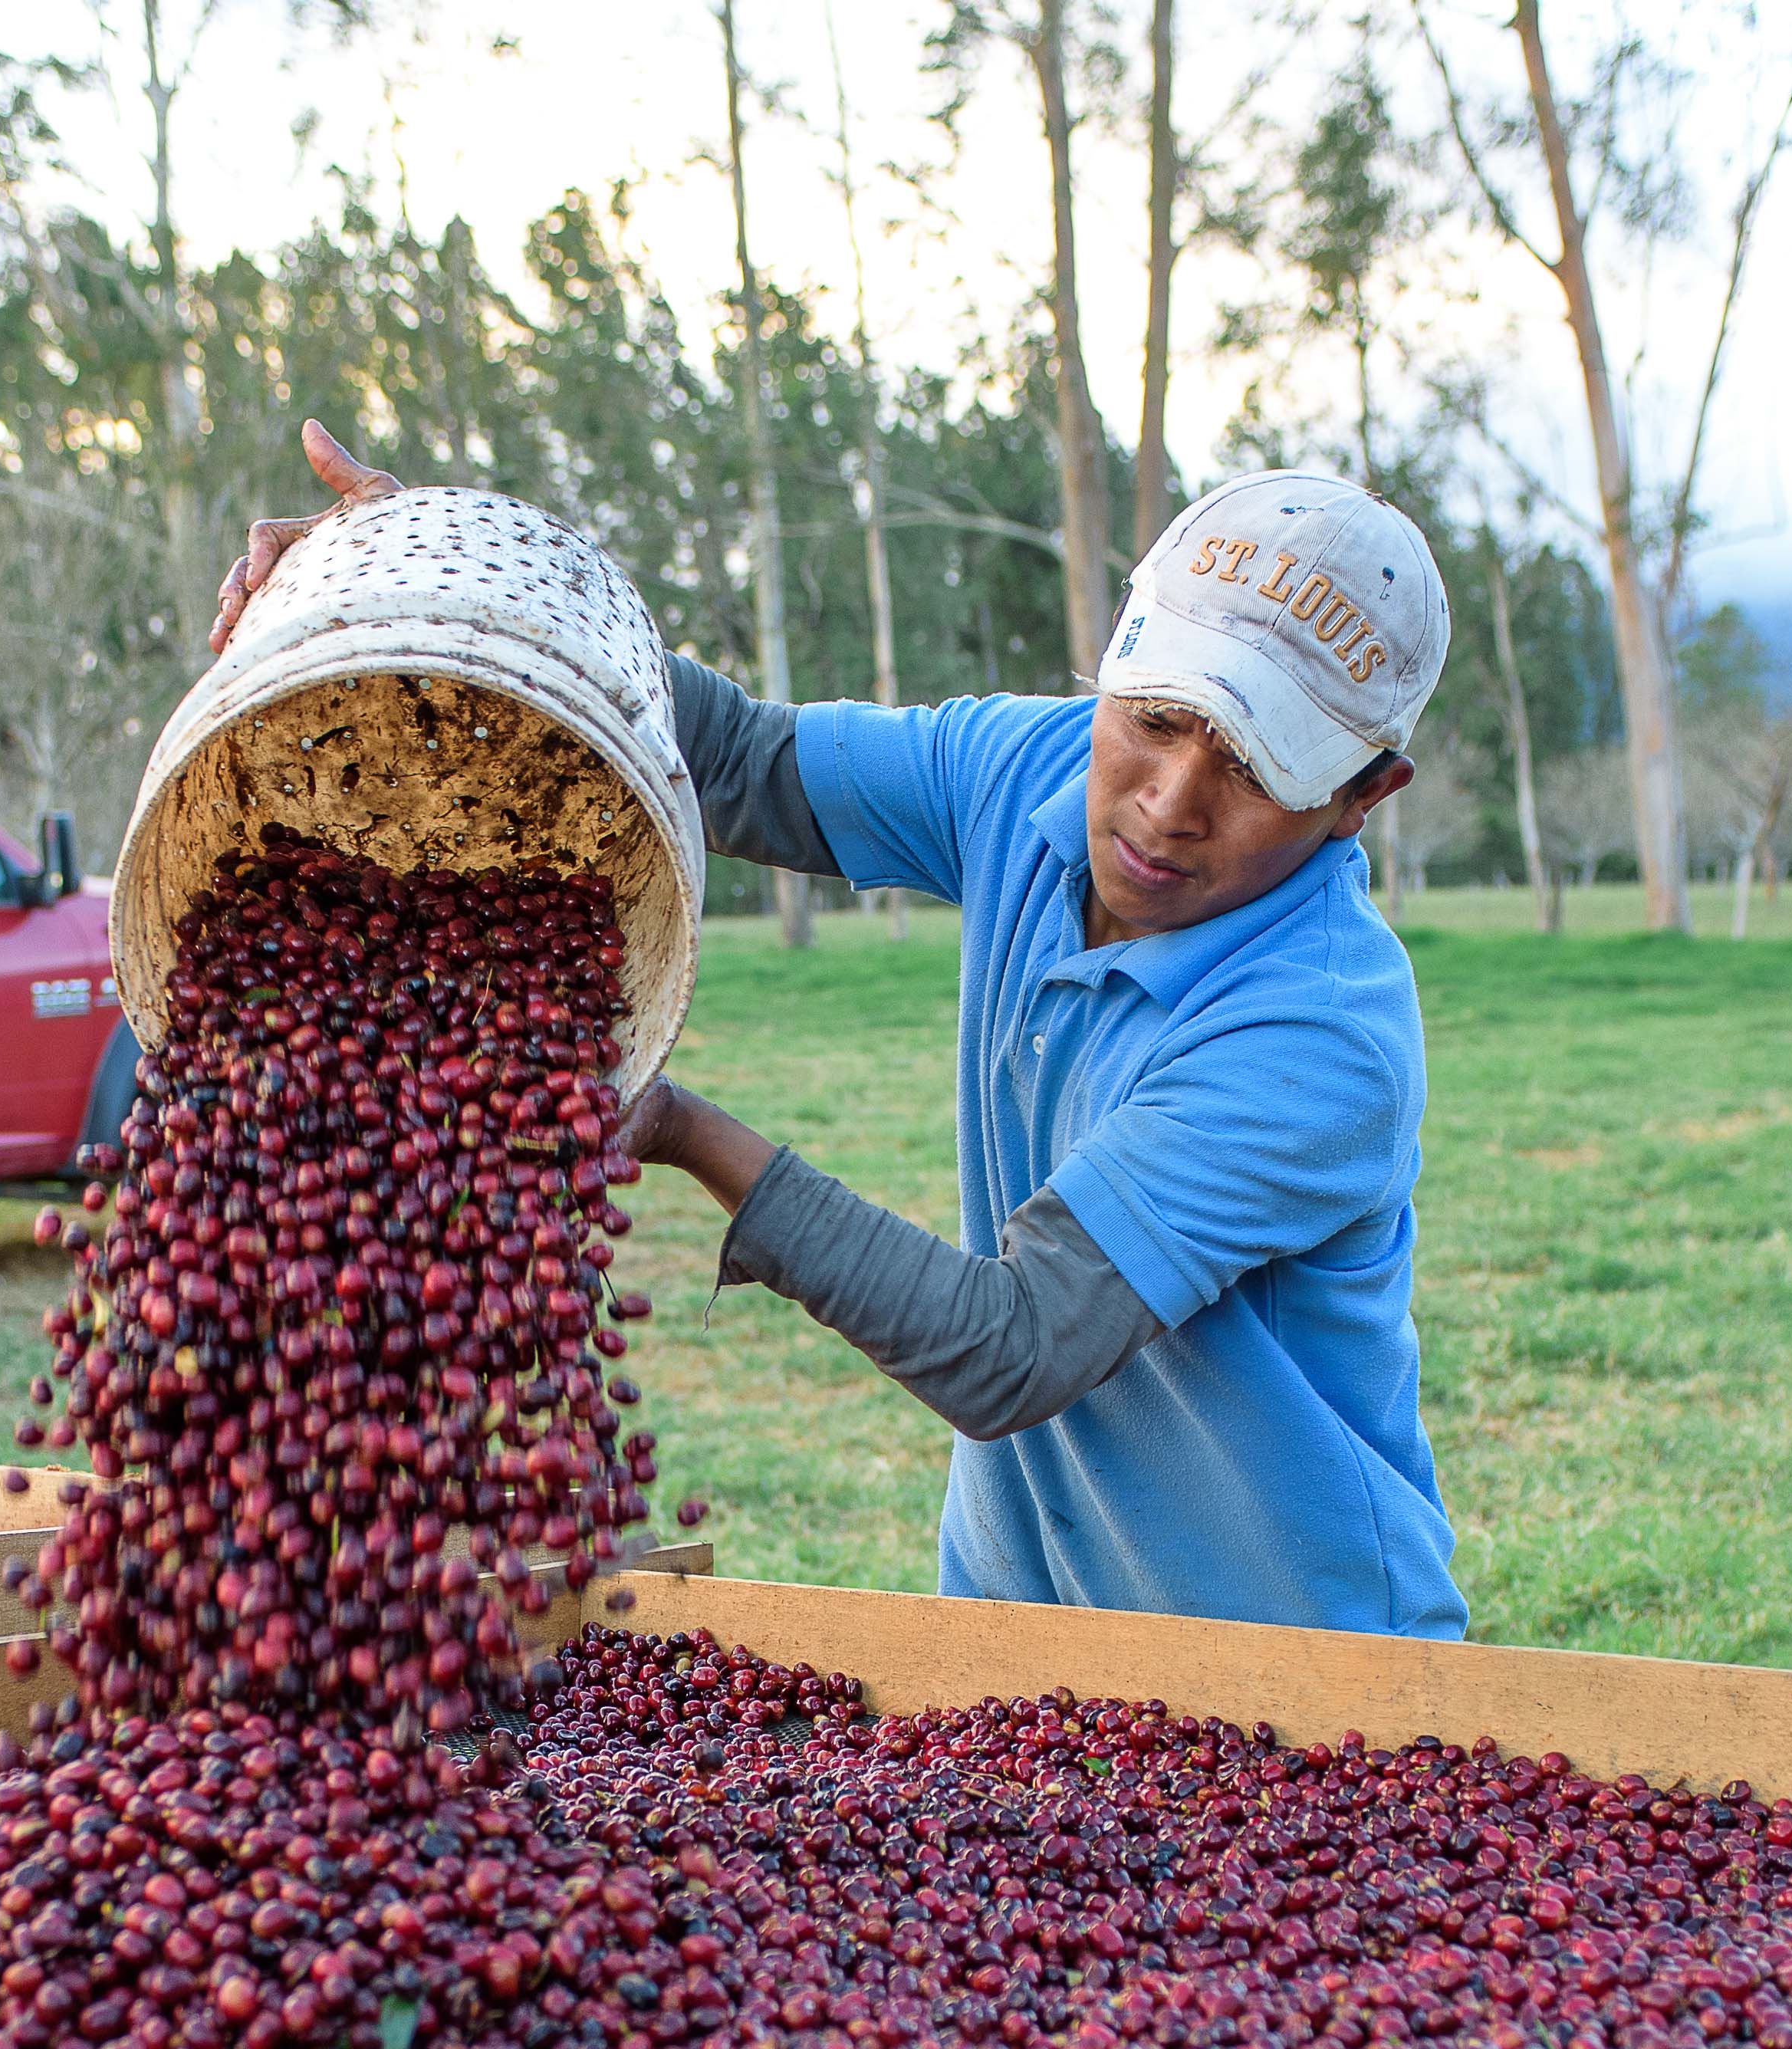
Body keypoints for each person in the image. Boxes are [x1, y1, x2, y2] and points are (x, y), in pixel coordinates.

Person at [209, 423, 1463, 1640]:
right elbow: (745, 760)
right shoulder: (1029, 769)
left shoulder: (1317, 1031)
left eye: (1252, 767)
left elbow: (1010, 1343)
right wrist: (435, 576)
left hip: (1298, 1668)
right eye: (1154, 716)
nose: (1166, 801)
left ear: (1362, 797)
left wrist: (683, 1130)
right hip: (1019, 1633)